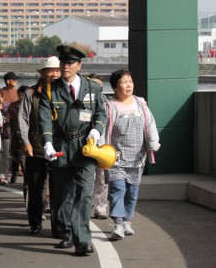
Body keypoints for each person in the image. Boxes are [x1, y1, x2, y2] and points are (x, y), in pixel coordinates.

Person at [39, 45, 107, 256]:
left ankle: (82, 240)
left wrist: (96, 131)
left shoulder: (92, 88)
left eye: (69, 63)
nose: (65, 67)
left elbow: (101, 114)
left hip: (85, 149)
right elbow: (44, 120)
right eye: (62, 63)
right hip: (61, 147)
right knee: (65, 196)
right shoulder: (50, 90)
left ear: (79, 65)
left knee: (84, 195)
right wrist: (47, 143)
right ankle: (68, 231)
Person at [100, 70, 160, 240]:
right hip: (115, 158)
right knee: (117, 189)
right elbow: (103, 129)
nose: (129, 85)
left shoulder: (141, 104)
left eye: (130, 81)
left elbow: (150, 124)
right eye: (124, 82)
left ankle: (127, 221)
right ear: (114, 87)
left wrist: (154, 142)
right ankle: (118, 223)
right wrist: (100, 149)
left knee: (132, 192)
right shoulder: (109, 106)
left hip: (137, 158)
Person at [19, 56, 61, 236]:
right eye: (50, 70)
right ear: (43, 73)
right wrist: (25, 141)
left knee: (59, 189)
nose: (54, 74)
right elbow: (23, 119)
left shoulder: (65, 92)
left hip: (59, 149)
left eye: (57, 70)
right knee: (35, 189)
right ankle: (34, 222)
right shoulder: (31, 93)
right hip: (36, 148)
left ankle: (58, 226)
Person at [86, 74, 109, 220]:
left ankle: (101, 207)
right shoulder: (82, 100)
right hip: (85, 146)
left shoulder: (107, 102)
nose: (97, 89)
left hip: (103, 146)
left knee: (102, 179)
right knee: (88, 177)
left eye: (100, 87)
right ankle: (86, 206)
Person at [5, 85, 29, 184]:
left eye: (24, 94)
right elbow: (8, 118)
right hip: (16, 134)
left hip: (29, 135)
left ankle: (27, 177)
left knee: (23, 156)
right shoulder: (13, 106)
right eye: (20, 94)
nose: (22, 96)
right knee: (16, 155)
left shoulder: (31, 105)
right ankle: (14, 173)